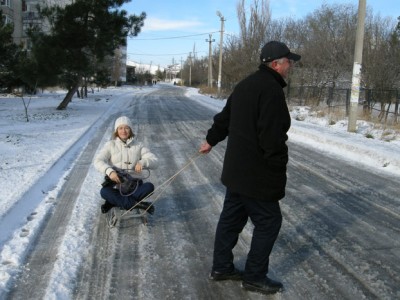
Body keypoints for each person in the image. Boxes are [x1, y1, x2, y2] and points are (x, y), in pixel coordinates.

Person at [199, 41, 300, 295]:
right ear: (276, 64)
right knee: (269, 221)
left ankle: (221, 267)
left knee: (231, 218)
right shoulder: (271, 91)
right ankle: (255, 276)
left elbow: (224, 118)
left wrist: (211, 139)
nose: (290, 66)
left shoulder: (245, 85)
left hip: (236, 172)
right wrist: (278, 169)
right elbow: (272, 138)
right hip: (257, 174)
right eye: (288, 61)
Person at [94, 116, 158, 224]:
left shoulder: (139, 145)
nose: (123, 131)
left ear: (131, 130)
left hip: (135, 185)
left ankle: (114, 202)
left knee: (149, 187)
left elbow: (155, 161)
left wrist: (143, 162)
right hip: (116, 185)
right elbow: (98, 161)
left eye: (126, 128)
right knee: (104, 191)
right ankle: (139, 205)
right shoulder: (111, 145)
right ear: (116, 131)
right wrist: (110, 171)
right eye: (120, 128)